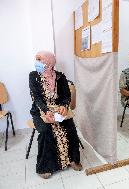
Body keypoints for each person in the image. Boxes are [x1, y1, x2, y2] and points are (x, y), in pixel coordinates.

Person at [29, 51, 82, 179]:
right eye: (37, 59)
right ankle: (45, 167)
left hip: (58, 109)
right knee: (46, 131)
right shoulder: (33, 76)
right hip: (40, 110)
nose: (36, 62)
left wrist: (64, 105)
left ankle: (73, 160)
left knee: (70, 128)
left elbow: (66, 96)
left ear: (48, 64)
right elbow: (36, 98)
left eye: (39, 60)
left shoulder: (60, 76)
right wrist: (46, 111)